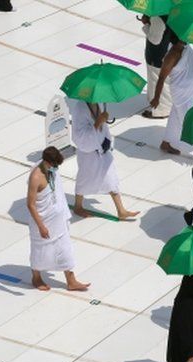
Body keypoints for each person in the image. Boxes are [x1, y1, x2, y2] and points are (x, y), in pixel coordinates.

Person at [27, 146, 89, 292]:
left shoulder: (52, 170)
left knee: (65, 248)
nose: (56, 168)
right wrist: (41, 226)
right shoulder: (36, 177)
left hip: (58, 220)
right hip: (42, 221)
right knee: (40, 251)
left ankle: (71, 280)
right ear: (47, 162)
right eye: (54, 165)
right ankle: (36, 277)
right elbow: (30, 204)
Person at [66, 99, 139, 220]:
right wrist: (98, 122)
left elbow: (102, 128)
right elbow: (79, 135)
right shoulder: (79, 109)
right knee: (84, 180)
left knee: (111, 178)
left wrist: (103, 123)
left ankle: (121, 210)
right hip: (88, 153)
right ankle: (78, 206)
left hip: (102, 149)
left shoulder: (99, 103)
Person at [152, 40, 193, 155]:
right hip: (181, 94)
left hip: (190, 90)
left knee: (175, 117)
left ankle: (166, 142)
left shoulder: (186, 48)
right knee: (190, 122)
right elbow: (161, 78)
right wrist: (156, 98)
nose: (187, 39)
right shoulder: (172, 56)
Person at [140, 15, 175, 119]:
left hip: (158, 55)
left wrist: (146, 24)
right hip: (168, 51)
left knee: (157, 81)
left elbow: (155, 40)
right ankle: (168, 106)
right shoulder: (171, 12)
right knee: (166, 82)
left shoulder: (157, 18)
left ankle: (161, 110)